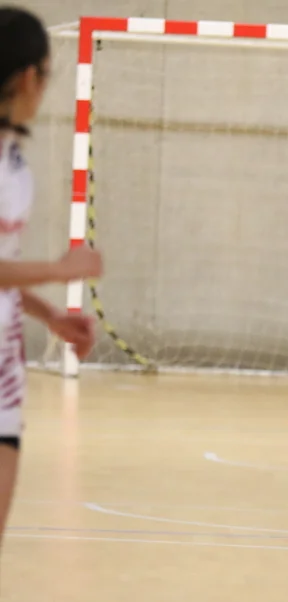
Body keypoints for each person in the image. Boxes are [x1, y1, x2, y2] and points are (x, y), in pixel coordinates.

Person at [0, 6, 104, 560]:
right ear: (26, 77)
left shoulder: (15, 164)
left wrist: (51, 316)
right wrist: (61, 271)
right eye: (46, 73)